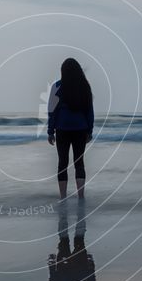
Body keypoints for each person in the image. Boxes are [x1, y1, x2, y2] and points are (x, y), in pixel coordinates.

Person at [47, 58, 94, 199]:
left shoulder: (57, 86)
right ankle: (81, 196)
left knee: (62, 163)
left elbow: (51, 111)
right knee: (79, 163)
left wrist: (50, 131)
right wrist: (89, 130)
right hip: (80, 129)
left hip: (62, 128)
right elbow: (89, 110)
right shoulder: (85, 87)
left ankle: (63, 197)